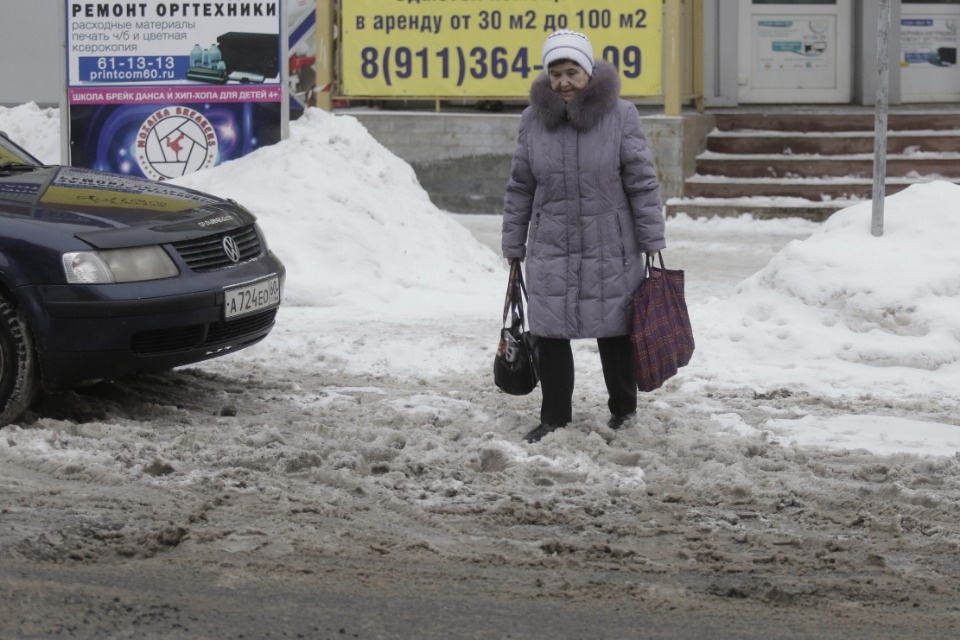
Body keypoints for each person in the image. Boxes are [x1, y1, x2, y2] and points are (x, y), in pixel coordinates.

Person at [501, 29, 666, 443]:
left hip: (610, 243)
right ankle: (554, 417)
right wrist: (513, 244)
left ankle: (624, 411)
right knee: (549, 332)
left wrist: (651, 239)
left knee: (615, 331)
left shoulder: (621, 116)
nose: (563, 82)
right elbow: (521, 186)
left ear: (588, 73)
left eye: (572, 71)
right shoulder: (532, 121)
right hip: (551, 244)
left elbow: (642, 182)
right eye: (555, 73)